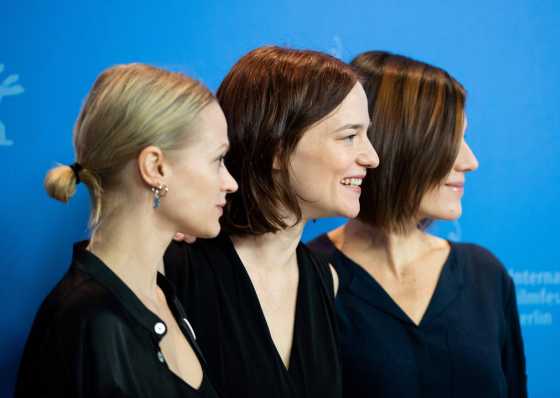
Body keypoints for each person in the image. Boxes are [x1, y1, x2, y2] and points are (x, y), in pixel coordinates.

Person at [164, 46, 379, 398]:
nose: (372, 157)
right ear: (277, 148)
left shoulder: (325, 280)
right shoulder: (178, 269)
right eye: (349, 136)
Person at [309, 51, 528, 398]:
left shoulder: (485, 275)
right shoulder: (308, 277)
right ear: (397, 143)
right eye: (450, 140)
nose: (470, 162)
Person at [15, 63, 237, 397]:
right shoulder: (87, 324)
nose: (230, 183)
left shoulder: (161, 294)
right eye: (218, 160)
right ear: (155, 167)